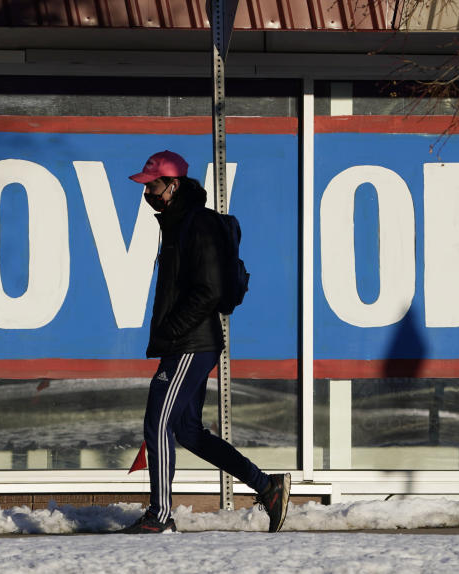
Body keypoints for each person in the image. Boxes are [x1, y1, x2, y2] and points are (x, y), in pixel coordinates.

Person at [120, 150, 290, 534]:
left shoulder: (198, 224)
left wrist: (173, 331)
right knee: (188, 431)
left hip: (190, 343)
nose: (147, 193)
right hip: (189, 341)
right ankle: (267, 486)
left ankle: (160, 516)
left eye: (153, 186)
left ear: (174, 184)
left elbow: (209, 290)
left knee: (157, 424)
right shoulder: (179, 224)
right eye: (145, 187)